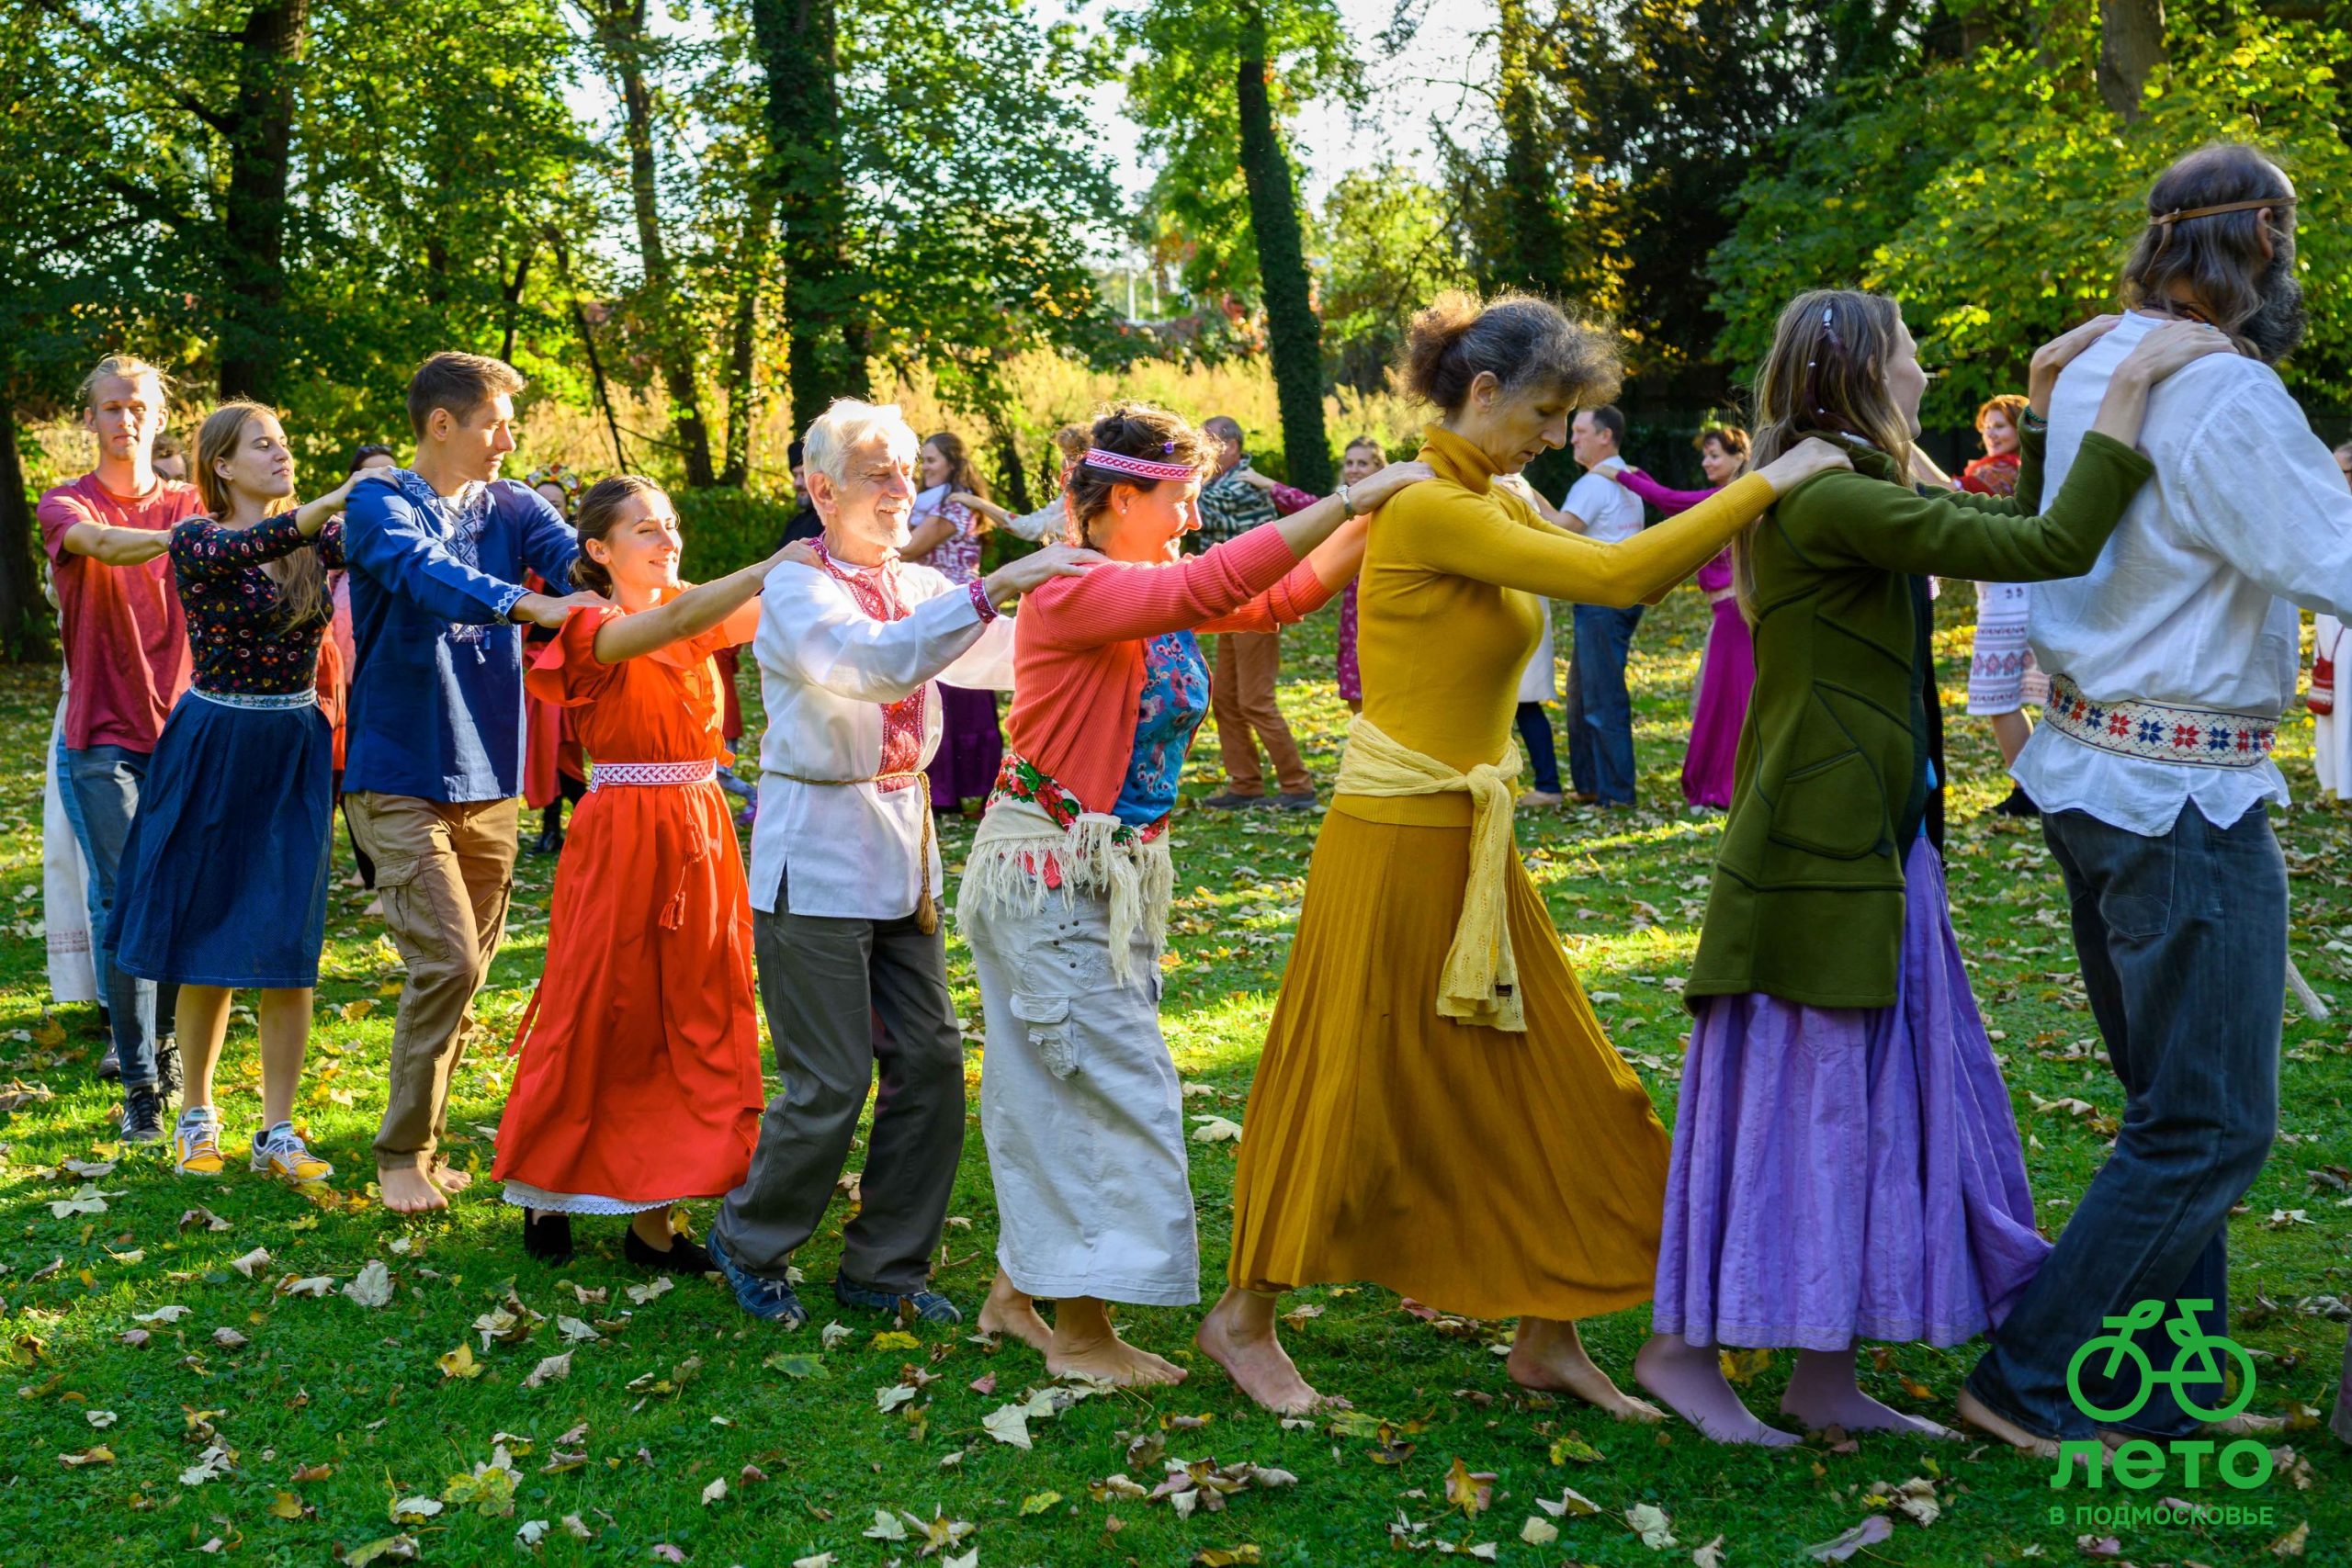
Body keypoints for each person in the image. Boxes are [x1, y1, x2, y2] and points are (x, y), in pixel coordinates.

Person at [1196, 291, 1852, 1416]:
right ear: (1483, 392)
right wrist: (1767, 483)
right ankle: (1242, 1319)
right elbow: (1614, 583)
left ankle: (1547, 1331)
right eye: (1545, 414)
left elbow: (1631, 548)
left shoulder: (1492, 489)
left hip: (1469, 841)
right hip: (1393, 843)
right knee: (1348, 1081)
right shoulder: (1423, 509)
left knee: (1563, 1081)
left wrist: (1761, 499)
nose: (1554, 437)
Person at [1634, 292, 2225, 1446]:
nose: (1923, 371)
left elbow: (2008, 513)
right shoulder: (1838, 498)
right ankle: (1682, 1352)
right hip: (1819, 849)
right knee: (1795, 1099)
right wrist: (2129, 398)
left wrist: (2049, 406)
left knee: (1852, 1101)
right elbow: (2046, 548)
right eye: (1909, 355)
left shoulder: (1857, 483)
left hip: (1867, 835)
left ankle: (1819, 1372)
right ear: (1863, 371)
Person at [1961, 144, 2352, 1455]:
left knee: (2169, 1100)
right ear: (2257, 245)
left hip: (2092, 772)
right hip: (2176, 795)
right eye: (2287, 241)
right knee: (2211, 1119)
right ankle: (2029, 1374)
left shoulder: (2082, 364)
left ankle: (2171, 1373)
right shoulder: (2226, 398)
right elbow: (2337, 557)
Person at [959, 404, 1428, 1383]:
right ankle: (1081, 1338)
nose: (1192, 515)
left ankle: (1017, 1295)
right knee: (1102, 1087)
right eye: (1178, 498)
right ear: (1121, 498)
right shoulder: (1075, 586)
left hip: (1105, 873)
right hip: (1050, 872)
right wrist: (1351, 493)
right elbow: (1217, 578)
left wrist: (1375, 518)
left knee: (1065, 1076)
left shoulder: (1143, 582)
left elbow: (1272, 597)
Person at [704, 398, 1100, 1328]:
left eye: (905, 472)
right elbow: (874, 667)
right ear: (820, 489)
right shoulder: (800, 587)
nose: (899, 491)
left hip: (902, 847)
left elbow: (1000, 655)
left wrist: (1092, 594)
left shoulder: (916, 587)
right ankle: (750, 1237)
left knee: (926, 1063)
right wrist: (996, 588)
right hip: (814, 853)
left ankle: (884, 1267)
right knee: (832, 1078)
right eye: (877, 474)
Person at [494, 478, 815, 1270]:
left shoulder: (698, 608)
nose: (666, 538)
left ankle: (653, 1220)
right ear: (599, 551)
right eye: (645, 529)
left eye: (670, 524)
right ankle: (547, 1182)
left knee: (695, 1005)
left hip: (700, 828)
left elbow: (799, 612)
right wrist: (773, 561)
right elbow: (671, 621)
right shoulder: (591, 621)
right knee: (600, 999)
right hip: (622, 832)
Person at [341, 352, 598, 1213]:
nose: (508, 440)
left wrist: (626, 564)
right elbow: (425, 574)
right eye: (494, 422)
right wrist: (526, 606)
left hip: (492, 773)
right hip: (395, 767)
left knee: (467, 969)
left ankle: (426, 1141)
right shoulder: (377, 502)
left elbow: (575, 564)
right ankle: (400, 1154)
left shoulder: (514, 503)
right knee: (446, 959)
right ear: (442, 424)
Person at [109, 401, 381, 1180]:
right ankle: (196, 1115)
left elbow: (379, 547)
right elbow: (265, 537)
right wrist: (328, 502)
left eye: (286, 444)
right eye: (263, 445)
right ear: (221, 466)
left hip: (294, 743)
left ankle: (279, 1130)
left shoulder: (316, 543)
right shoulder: (200, 538)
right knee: (209, 942)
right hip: (215, 743)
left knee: (288, 943)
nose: (281, 454)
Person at [40, 355, 201, 1138]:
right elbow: (102, 545)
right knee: (126, 894)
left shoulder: (192, 499)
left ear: (159, 415)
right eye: (108, 407)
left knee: (174, 893)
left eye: (136, 405)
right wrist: (189, 539)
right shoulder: (66, 502)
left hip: (187, 731)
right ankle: (140, 1080)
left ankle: (165, 1042)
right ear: (90, 418)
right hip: (100, 734)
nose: (123, 419)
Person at [1613, 427, 1755, 810]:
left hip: (1735, 615)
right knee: (1722, 699)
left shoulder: (1733, 497)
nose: (1707, 463)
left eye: (1714, 456)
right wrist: (1638, 476)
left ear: (1740, 456)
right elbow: (1673, 502)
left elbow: (1675, 501)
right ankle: (1721, 784)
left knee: (1728, 701)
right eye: (1705, 456)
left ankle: (1725, 786)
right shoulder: (1728, 497)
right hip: (1725, 614)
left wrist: (1622, 475)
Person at [1194, 417, 1317, 810]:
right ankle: (1245, 783)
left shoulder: (1242, 482)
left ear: (1230, 446)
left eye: (1208, 444)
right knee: (1227, 700)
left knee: (1255, 700)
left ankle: (1297, 784)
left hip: (1257, 600)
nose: (1203, 453)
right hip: (1225, 601)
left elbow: (1204, 513)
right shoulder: (1215, 482)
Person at [1948, 395, 2048, 819]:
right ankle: (2035, 786)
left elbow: (1948, 495)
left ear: (2019, 432)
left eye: (2000, 426)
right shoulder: (2013, 472)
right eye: (1986, 427)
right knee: (2016, 698)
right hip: (2008, 596)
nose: (1991, 434)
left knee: (1999, 699)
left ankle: (2030, 789)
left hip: (2011, 600)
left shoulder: (2004, 474)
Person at [906, 432, 1005, 814]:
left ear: (952, 461)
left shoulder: (953, 506)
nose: (924, 468)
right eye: (923, 460)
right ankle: (943, 789)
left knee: (961, 695)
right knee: (939, 695)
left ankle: (967, 788)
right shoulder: (930, 503)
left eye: (931, 460)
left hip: (955, 607)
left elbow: (913, 547)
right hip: (932, 606)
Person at [1558, 406, 1647, 807]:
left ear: (1605, 435)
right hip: (1618, 598)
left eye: (1580, 431)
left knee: (1601, 698)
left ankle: (1616, 793)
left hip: (1601, 602)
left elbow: (1559, 532)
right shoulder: (1625, 476)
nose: (1572, 439)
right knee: (1581, 692)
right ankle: (1591, 784)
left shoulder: (1595, 483)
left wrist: (1519, 504)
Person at [325, 444, 399, 898]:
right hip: (341, 687)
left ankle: (385, 877)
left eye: (388, 476)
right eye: (366, 478)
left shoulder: (402, 543)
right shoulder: (336, 543)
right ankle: (369, 872)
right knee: (351, 780)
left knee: (381, 783)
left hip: (386, 685)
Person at [523, 462, 590, 855]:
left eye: (556, 503)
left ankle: (585, 818)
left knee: (563, 747)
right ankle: (553, 828)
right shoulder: (524, 561)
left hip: (568, 665)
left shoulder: (577, 559)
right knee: (546, 747)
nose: (550, 507)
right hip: (534, 665)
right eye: (542, 502)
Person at [2309, 439, 2352, 802]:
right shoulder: (2328, 509)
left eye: (2344, 472)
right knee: (2333, 696)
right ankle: (2336, 778)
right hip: (2330, 622)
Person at [1333, 436, 1385, 714]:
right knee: (1357, 696)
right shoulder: (1346, 501)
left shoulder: (1381, 503)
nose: (1353, 469)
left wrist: (1272, 487)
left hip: (1381, 608)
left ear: (1378, 468)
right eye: (1349, 462)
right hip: (1353, 611)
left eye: (1362, 463)